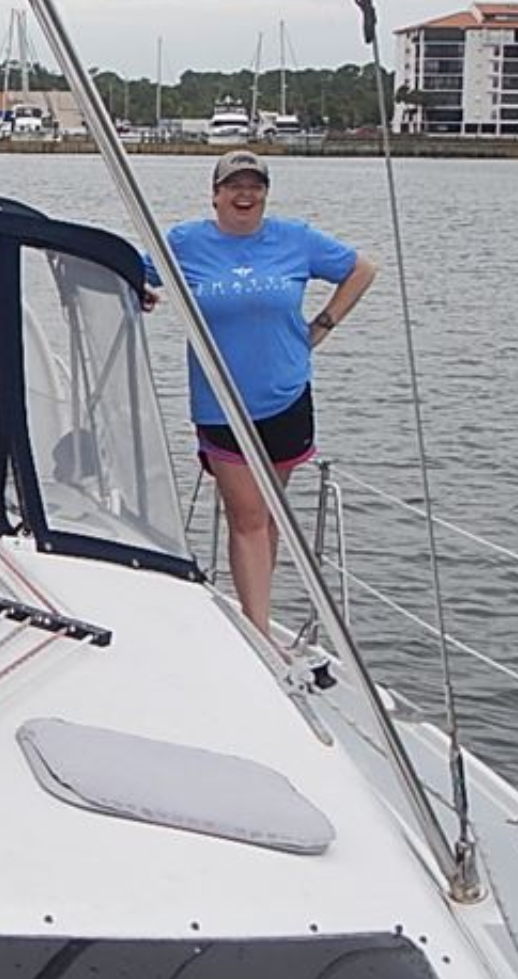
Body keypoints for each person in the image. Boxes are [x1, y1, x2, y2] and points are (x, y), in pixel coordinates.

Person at [159, 149, 376, 636]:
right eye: (234, 185)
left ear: (265, 194)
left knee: (268, 515)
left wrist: (321, 326)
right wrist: (142, 292)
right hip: (221, 402)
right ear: (215, 195)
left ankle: (257, 609)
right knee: (248, 516)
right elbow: (140, 273)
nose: (245, 194)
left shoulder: (294, 238)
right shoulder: (186, 242)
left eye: (254, 186)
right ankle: (258, 631)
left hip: (286, 396)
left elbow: (362, 270)